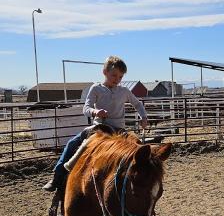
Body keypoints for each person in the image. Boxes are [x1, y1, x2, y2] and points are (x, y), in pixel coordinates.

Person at [43, 56, 148, 191]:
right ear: (105, 72)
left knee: (139, 147)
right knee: (72, 143)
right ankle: (57, 176)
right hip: (100, 127)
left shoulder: (124, 91)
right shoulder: (96, 88)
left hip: (119, 130)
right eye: (114, 75)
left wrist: (143, 116)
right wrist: (95, 111)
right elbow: (85, 108)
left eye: (120, 77)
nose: (117, 79)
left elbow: (138, 104)